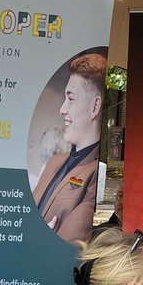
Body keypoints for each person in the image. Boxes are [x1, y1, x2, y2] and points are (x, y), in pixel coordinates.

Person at [33, 52, 106, 243]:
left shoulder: (97, 175)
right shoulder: (54, 162)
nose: (62, 109)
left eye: (71, 99)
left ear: (95, 107)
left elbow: (70, 243)